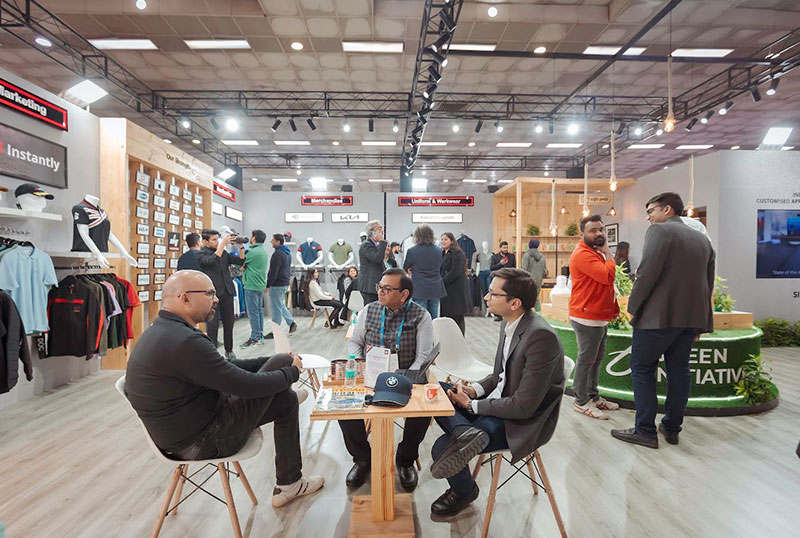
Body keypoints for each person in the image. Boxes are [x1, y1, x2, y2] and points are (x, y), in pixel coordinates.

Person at [124, 270, 323, 507]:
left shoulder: (164, 331)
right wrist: (292, 372)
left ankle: (289, 484)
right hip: (202, 442)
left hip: (184, 435)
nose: (217, 299)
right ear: (184, 298)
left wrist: (270, 363)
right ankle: (290, 477)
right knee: (282, 372)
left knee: (285, 398)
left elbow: (225, 368)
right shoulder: (185, 342)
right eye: (209, 293)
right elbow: (246, 386)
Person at [428, 268, 565, 516]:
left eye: (492, 294)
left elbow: (523, 406)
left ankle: (464, 491)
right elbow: (498, 375)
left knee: (441, 447)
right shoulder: (510, 323)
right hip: (498, 404)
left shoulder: (540, 337)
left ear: (514, 303)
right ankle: (465, 432)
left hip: (519, 422)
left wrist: (470, 405)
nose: (485, 297)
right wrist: (473, 390)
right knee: (440, 391)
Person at [611, 192, 715, 449]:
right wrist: (702, 321)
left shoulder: (660, 231)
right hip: (690, 319)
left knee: (642, 368)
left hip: (657, 318)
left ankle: (645, 430)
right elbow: (708, 282)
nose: (648, 217)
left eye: (651, 211)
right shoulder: (702, 239)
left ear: (667, 209)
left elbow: (647, 273)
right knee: (679, 371)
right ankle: (671, 427)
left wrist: (633, 307)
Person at [339, 268, 434, 492]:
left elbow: (422, 357)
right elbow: (355, 342)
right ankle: (363, 459)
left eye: (386, 289)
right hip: (370, 375)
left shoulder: (421, 316)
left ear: (404, 294)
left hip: (406, 377)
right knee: (344, 405)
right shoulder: (368, 310)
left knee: (424, 411)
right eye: (379, 287)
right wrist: (360, 362)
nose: (380, 292)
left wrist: (405, 378)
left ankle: (406, 459)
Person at [568, 215, 620, 420]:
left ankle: (593, 395)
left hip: (598, 315)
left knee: (596, 359)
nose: (598, 233)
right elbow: (607, 276)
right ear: (583, 234)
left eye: (600, 229)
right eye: (592, 230)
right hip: (586, 316)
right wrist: (608, 253)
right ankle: (580, 401)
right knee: (586, 360)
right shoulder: (583, 254)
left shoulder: (594, 252)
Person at [197, 229, 244, 360]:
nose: (217, 242)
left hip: (227, 292)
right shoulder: (201, 254)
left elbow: (240, 261)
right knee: (212, 325)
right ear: (205, 241)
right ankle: (212, 353)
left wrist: (240, 247)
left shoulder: (223, 252)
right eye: (214, 240)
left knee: (229, 323)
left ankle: (229, 350)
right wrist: (223, 244)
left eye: (217, 239)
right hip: (212, 295)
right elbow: (211, 261)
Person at [403, 224, 445, 319]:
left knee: (421, 317)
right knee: (433, 316)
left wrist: (412, 269)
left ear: (417, 236)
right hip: (435, 287)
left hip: (420, 287)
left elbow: (405, 267)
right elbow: (441, 266)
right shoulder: (439, 251)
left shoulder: (412, 251)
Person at [239, 230, 269, 348]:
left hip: (251, 285)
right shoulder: (263, 251)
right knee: (258, 311)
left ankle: (255, 337)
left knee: (253, 313)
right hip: (260, 285)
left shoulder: (251, 252)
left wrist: (240, 248)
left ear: (254, 238)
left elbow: (240, 263)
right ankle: (260, 335)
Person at [264, 233, 297, 340]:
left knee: (276, 308)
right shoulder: (287, 253)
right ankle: (291, 322)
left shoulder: (277, 254)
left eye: (273, 240)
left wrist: (268, 284)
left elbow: (273, 271)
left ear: (278, 241)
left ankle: (276, 331)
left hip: (277, 284)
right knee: (280, 304)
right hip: (284, 282)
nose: (271, 242)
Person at [439, 232, 470, 335]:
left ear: (451, 241)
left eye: (445, 239)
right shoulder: (443, 253)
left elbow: (455, 272)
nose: (443, 241)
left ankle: (459, 339)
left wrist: (441, 282)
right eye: (442, 239)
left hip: (456, 291)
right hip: (447, 290)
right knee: (447, 317)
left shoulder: (457, 253)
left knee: (457, 317)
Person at [357, 220, 387, 305]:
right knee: (371, 308)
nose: (382, 230)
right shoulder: (367, 245)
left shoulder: (374, 245)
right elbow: (377, 258)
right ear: (372, 232)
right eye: (379, 228)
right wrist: (382, 242)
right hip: (369, 285)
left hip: (374, 284)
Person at [489, 241, 517, 320]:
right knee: (499, 298)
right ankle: (498, 315)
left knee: (508, 297)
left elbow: (514, 267)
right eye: (504, 248)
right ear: (500, 248)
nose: (505, 249)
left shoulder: (511, 256)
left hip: (509, 280)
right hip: (498, 280)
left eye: (507, 247)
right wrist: (500, 264)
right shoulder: (495, 257)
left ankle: (508, 314)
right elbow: (492, 268)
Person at [521, 239, 548, 311]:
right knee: (535, 298)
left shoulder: (527, 255)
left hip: (528, 280)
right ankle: (538, 313)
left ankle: (529, 315)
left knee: (527, 299)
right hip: (538, 280)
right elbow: (545, 271)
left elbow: (524, 270)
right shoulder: (542, 257)